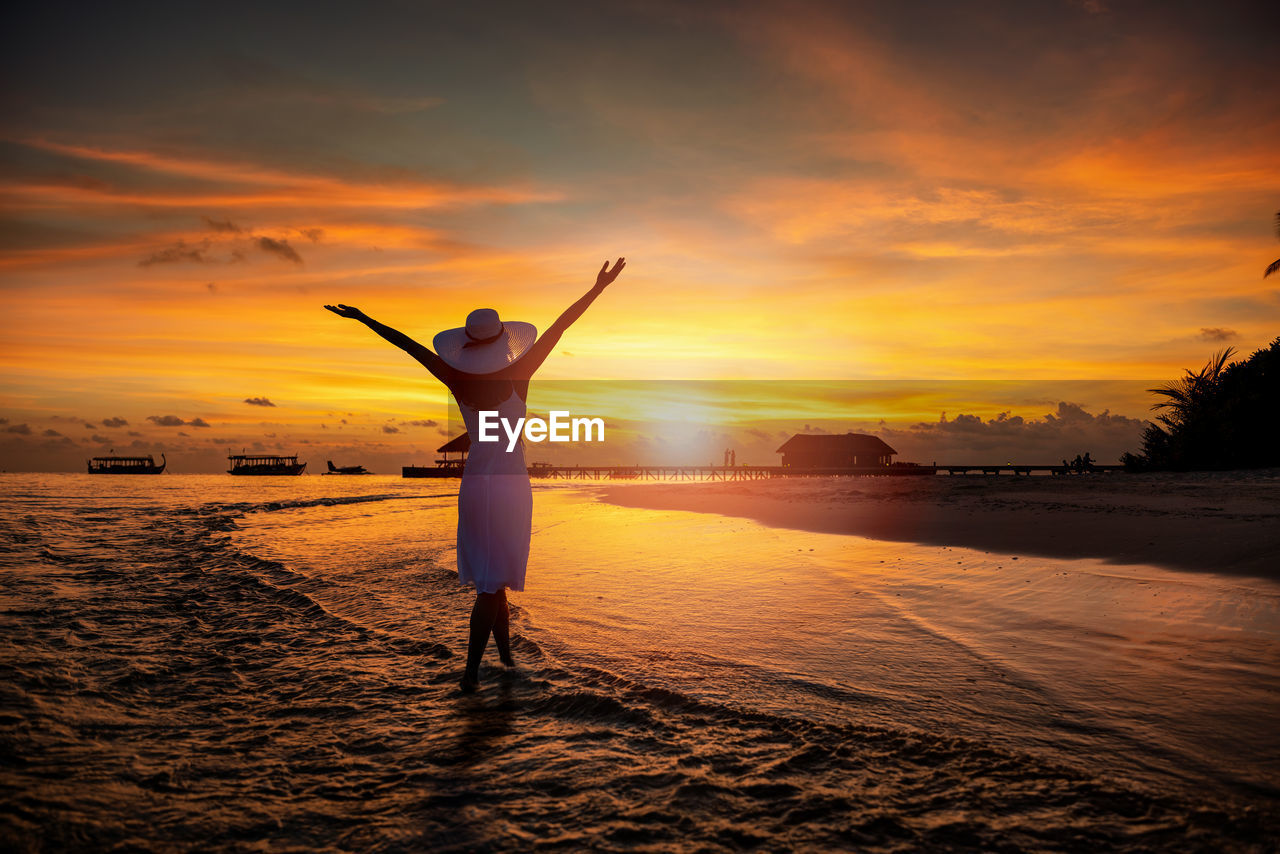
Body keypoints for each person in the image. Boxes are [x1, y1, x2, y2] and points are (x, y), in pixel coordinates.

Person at [325, 258, 626, 692]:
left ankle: (504, 661)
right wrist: (598, 288)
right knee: (491, 584)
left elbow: (406, 345)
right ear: (504, 343)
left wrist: (362, 318)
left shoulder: (457, 379)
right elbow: (560, 327)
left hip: (476, 485)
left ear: (469, 343)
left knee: (493, 581)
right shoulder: (518, 376)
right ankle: (470, 676)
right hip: (509, 485)